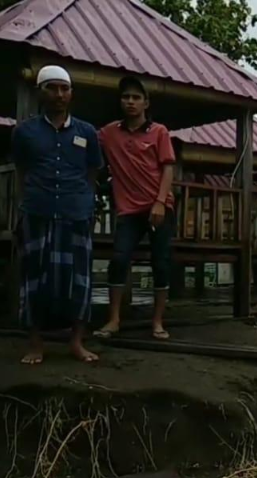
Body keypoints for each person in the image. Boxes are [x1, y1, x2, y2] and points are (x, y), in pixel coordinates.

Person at [11, 65, 102, 364]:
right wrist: (22, 208)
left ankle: (76, 343)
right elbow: (21, 171)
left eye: (64, 88)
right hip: (37, 211)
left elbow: (91, 172)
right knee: (34, 279)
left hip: (76, 213)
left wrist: (88, 206)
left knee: (79, 280)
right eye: (52, 87)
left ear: (72, 93)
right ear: (41, 92)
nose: (59, 94)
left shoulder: (87, 132)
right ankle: (36, 344)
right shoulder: (24, 132)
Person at [95, 76, 176, 340]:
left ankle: (158, 322)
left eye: (136, 97)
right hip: (128, 210)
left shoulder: (159, 132)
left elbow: (168, 167)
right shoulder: (108, 133)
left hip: (158, 206)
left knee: (160, 263)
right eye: (125, 97)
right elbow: (85, 143)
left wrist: (160, 202)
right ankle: (114, 319)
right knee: (119, 259)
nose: (130, 102)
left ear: (146, 103)